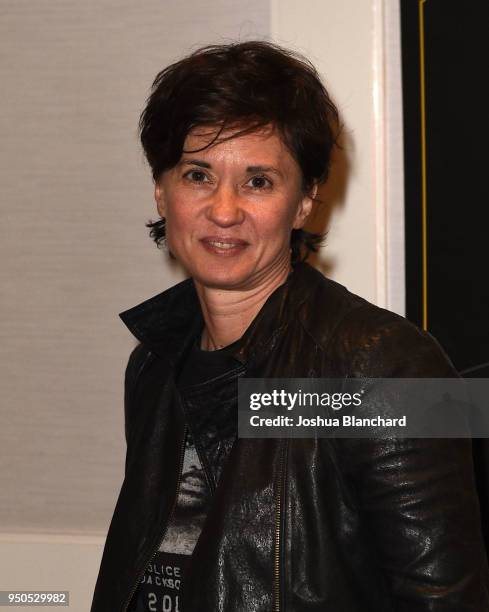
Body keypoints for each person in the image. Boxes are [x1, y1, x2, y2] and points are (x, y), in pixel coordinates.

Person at [90, 41, 489, 611]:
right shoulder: (152, 363)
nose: (224, 211)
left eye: (258, 181)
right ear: (161, 189)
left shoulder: (383, 367)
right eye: (199, 174)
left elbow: (445, 600)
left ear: (303, 202)